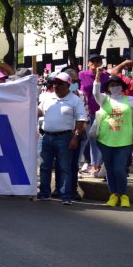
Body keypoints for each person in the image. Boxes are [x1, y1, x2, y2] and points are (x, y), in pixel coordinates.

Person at [35, 72, 87, 205]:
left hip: (65, 137)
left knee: (65, 167)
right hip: (46, 136)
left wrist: (75, 137)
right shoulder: (47, 98)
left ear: (68, 85)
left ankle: (65, 195)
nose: (56, 86)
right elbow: (38, 111)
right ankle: (44, 193)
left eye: (60, 83)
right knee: (44, 166)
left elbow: (81, 120)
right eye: (55, 83)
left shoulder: (75, 100)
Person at [93, 75, 133, 207]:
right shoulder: (104, 99)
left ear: (122, 87)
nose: (115, 87)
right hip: (105, 140)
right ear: (108, 88)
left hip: (124, 141)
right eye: (112, 85)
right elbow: (95, 92)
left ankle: (123, 195)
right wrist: (97, 77)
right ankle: (113, 194)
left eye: (117, 85)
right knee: (109, 168)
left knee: (119, 169)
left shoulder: (130, 100)